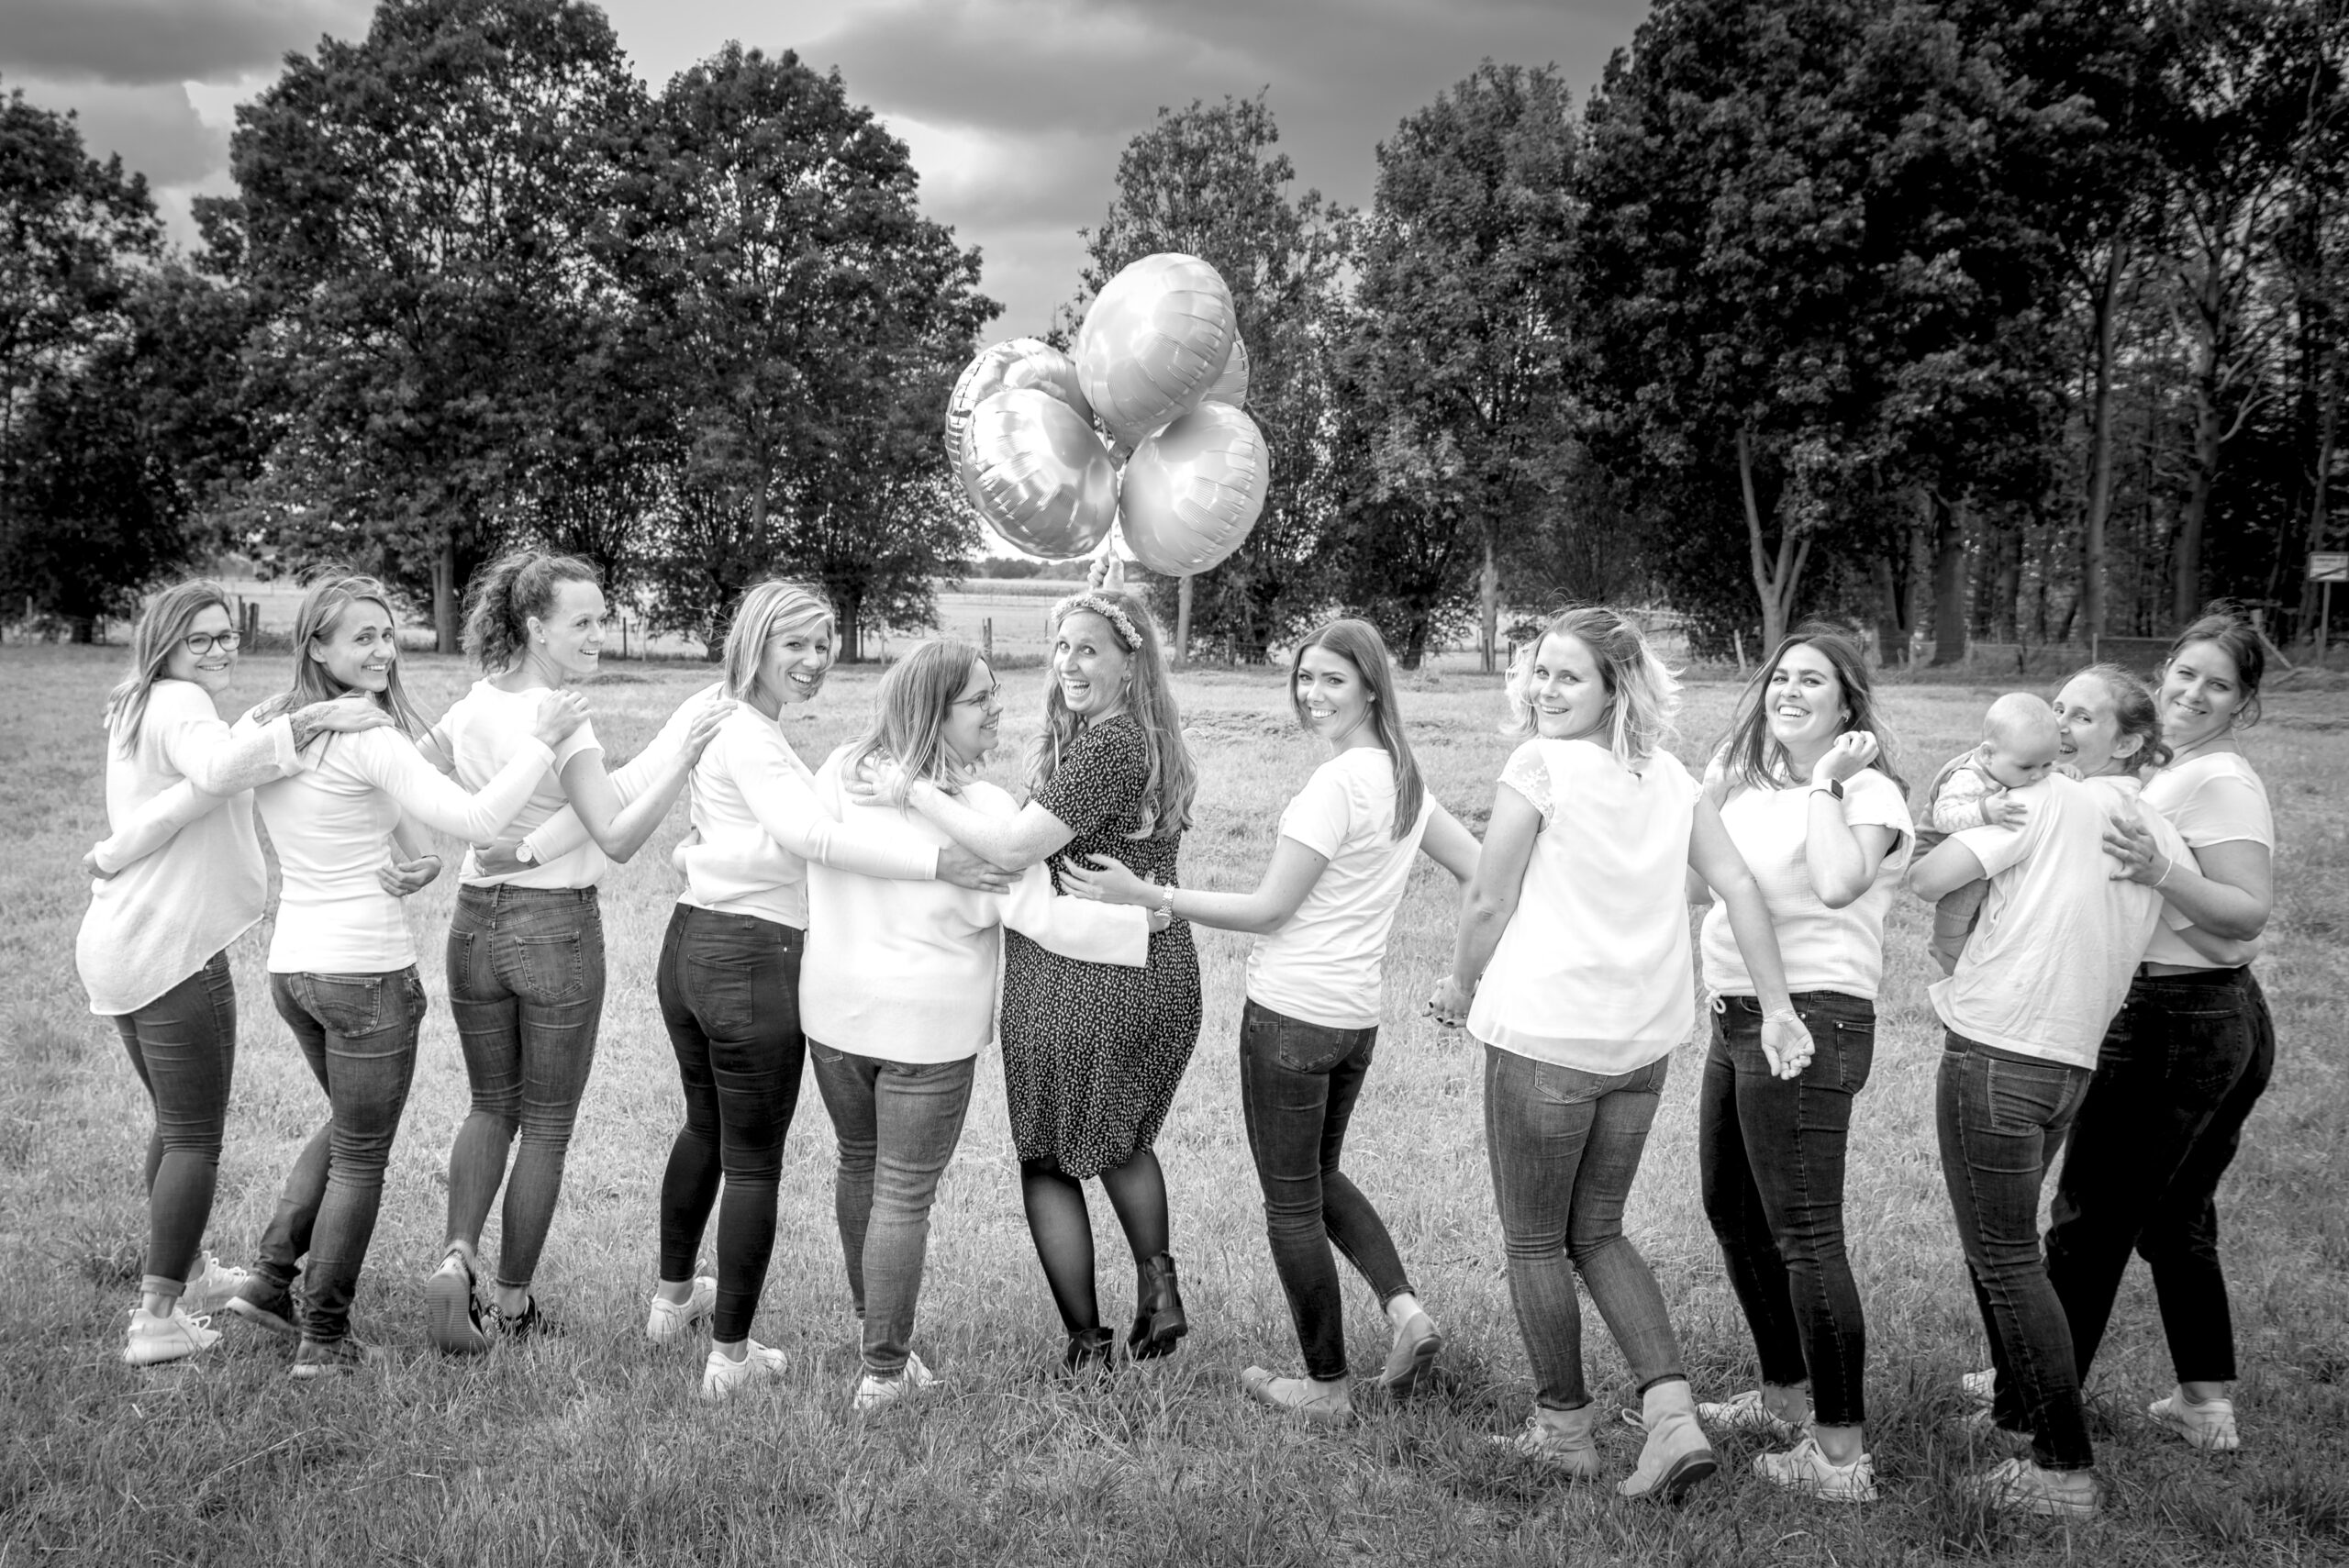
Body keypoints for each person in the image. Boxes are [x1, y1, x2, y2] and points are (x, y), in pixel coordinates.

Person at [93, 577, 589, 1374]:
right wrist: (543, 740)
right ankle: (324, 1338)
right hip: (365, 975)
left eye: (388, 634)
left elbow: (221, 797)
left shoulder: (269, 725)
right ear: (317, 646)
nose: (384, 650)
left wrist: (417, 859)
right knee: (361, 1154)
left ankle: (268, 1280)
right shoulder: (365, 733)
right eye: (363, 637)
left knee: (348, 1128)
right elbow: (478, 821)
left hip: (295, 971)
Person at [1428, 606, 1812, 1502]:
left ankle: (1563, 1430)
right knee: (1597, 1230)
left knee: (1536, 1239)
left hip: (1547, 1039)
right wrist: (1777, 1004)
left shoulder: (1540, 765)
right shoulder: (1670, 777)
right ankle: (1672, 1420)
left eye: (1568, 675)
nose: (1544, 689)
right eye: (1539, 671)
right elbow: (1735, 884)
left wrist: (1459, 985)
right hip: (1640, 1048)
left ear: (1614, 690)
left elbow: (1488, 897)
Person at [587, 586, 1009, 1401]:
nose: (814, 661)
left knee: (705, 1126)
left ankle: (672, 1300)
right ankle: (729, 1356)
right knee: (752, 1161)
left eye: (823, 644)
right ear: (754, 640)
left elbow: (629, 789)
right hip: (750, 954)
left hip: (690, 939)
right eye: (796, 644)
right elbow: (811, 836)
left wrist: (683, 849)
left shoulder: (712, 708)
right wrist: (939, 860)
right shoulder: (751, 734)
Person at [1065, 617, 1478, 1426]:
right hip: (1354, 1019)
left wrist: (1150, 895)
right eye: (1305, 677)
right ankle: (1406, 1313)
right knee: (1320, 1176)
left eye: (1333, 679)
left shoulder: (1337, 786)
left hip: (1291, 1016)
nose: (1313, 693)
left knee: (1290, 1204)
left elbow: (1268, 910)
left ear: (1371, 687)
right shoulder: (1402, 777)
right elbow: (1479, 867)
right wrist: (1462, 975)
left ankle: (1326, 1386)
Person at [806, 639, 1156, 1410]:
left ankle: (875, 1329)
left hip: (833, 1019)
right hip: (925, 1031)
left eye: (995, 693)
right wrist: (1144, 921)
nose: (999, 709)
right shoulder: (985, 812)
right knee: (902, 1193)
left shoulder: (839, 773)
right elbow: (1042, 917)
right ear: (935, 710)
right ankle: (883, 1370)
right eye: (980, 699)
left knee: (859, 1166)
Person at [858, 588, 1202, 1371]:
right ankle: (1159, 1290)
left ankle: (1089, 1343)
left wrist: (916, 787)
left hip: (1084, 976)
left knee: (1048, 1157)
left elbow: (1013, 849)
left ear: (1130, 660)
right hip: (1151, 966)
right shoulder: (1140, 739)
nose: (1068, 663)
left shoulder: (1110, 745)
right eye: (1061, 647)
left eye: (1088, 648)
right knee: (1121, 1136)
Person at [417, 550, 727, 1352]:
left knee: (490, 1105)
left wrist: (481, 840)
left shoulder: (476, 703)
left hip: (472, 923)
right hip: (553, 928)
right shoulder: (562, 718)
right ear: (535, 626)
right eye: (580, 621)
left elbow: (414, 776)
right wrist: (683, 763)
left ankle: (456, 1258)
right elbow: (615, 834)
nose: (597, 633)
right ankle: (511, 1303)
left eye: (601, 617)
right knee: (547, 1125)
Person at [78, 580, 394, 1366]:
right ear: (167, 645)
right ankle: (156, 1318)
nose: (221, 649)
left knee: (172, 1122)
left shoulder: (141, 701)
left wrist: (278, 714)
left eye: (227, 635)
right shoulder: (182, 702)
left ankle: (187, 1271)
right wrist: (317, 716)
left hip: (120, 940)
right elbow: (221, 767)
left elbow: (192, 790)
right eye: (202, 638)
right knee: (194, 1137)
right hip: (172, 946)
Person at [1907, 691, 2191, 1519]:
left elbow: (1927, 878)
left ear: (2128, 740)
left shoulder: (2044, 800)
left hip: (1999, 1048)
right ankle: (2016, 1413)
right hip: (2071, 1062)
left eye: (2081, 716)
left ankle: (2063, 1468)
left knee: (2003, 1257)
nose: (2063, 729)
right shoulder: (2155, 831)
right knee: (2006, 1250)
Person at [1687, 628, 1911, 1503]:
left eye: (1811, 680)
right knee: (1734, 1211)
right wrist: (1709, 795)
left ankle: (1841, 1455)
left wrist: (1826, 783)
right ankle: (1784, 1393)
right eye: (1780, 676)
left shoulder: (1869, 792)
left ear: (1847, 701)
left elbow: (1836, 883)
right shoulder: (1753, 784)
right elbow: (1697, 889)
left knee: (1806, 1233)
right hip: (1735, 1014)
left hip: (1811, 1021)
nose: (1788, 690)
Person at [2043, 617, 2277, 1455]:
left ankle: (2037, 1406)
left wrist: (2159, 871)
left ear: (2243, 701)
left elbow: (2246, 911)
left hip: (2175, 1021)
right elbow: (2225, 935)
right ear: (2165, 670)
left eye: (2218, 684)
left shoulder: (2220, 778)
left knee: (2089, 1219)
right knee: (2176, 1216)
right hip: (2212, 1009)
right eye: (2185, 672)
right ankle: (2205, 1403)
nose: (2193, 692)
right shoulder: (2177, 769)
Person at [1917, 692, 2063, 973]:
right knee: (1974, 882)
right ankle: (1945, 940)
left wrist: (2063, 770)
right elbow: (1943, 819)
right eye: (2027, 767)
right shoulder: (1968, 778)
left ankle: (1974, 936)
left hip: (1960, 844)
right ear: (1987, 754)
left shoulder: (2011, 762)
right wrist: (1983, 810)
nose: (2038, 775)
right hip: (1933, 851)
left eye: (2047, 764)